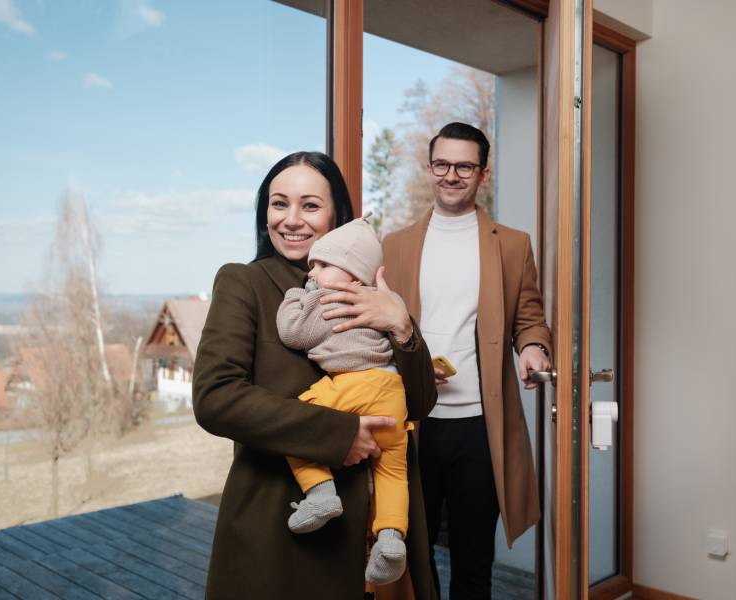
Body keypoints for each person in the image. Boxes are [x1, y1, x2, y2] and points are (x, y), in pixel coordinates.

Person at [192, 151, 438, 600]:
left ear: (337, 215)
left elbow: (419, 403)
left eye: (309, 205)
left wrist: (401, 325)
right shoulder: (243, 283)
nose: (291, 220)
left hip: (379, 526)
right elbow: (215, 397)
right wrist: (340, 434)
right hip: (282, 528)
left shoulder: (371, 289)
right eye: (278, 204)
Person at [382, 122, 553, 600]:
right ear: (429, 168)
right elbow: (377, 328)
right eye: (442, 164)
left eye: (464, 166)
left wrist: (534, 347)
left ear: (483, 173)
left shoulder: (513, 244)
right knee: (414, 557)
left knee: (473, 561)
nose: (451, 175)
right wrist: (411, 364)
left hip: (481, 426)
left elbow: (529, 318)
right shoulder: (394, 245)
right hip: (412, 422)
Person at [276, 214, 411, 585]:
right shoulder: (385, 301)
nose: (312, 273)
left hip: (354, 386)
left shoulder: (328, 300)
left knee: (297, 422)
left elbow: (292, 333)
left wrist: (294, 296)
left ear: (353, 277)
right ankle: (391, 540)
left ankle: (320, 493)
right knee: (392, 472)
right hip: (392, 393)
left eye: (322, 265)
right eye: (312, 266)